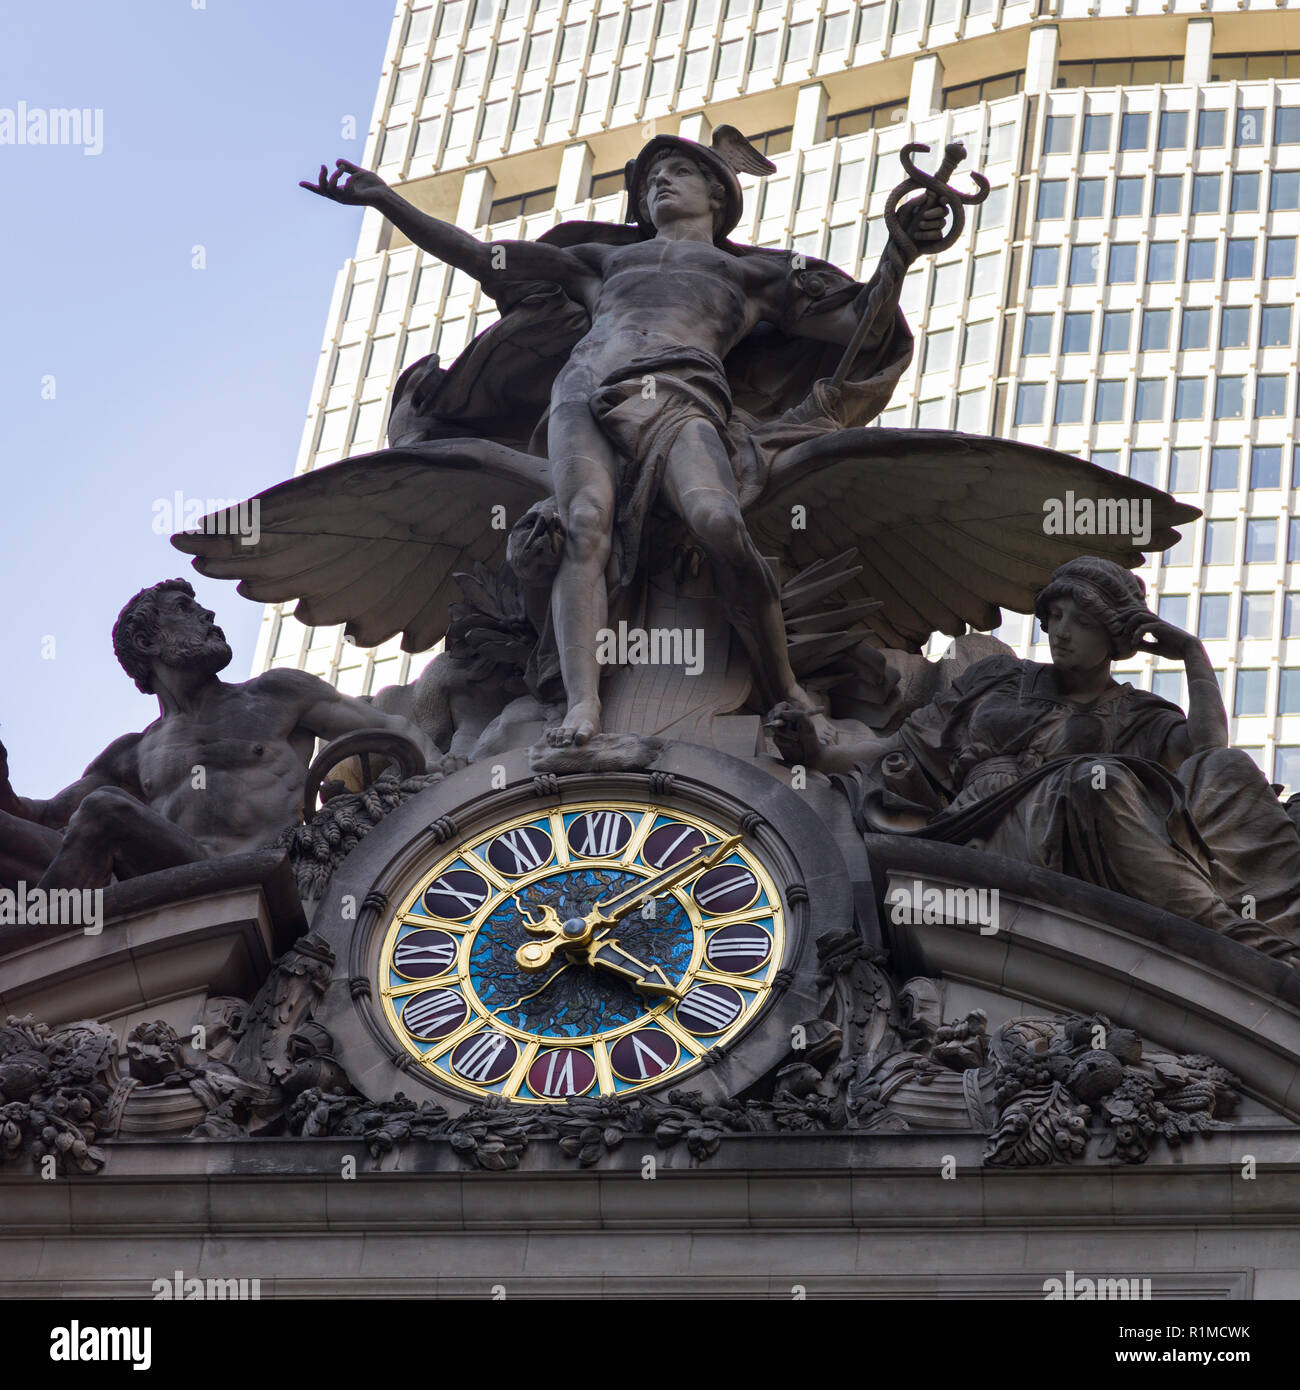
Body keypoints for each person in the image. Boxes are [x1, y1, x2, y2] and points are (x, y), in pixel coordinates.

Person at [300, 135, 946, 748]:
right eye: (650, 179)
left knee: (719, 521)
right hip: (582, 390)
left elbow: (861, 323)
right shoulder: (605, 260)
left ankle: (781, 685)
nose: (660, 182)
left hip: (678, 394)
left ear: (717, 195)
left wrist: (900, 253)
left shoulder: (754, 275)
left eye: (678, 172)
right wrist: (386, 200)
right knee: (582, 524)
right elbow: (480, 255)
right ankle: (583, 703)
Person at [768, 557, 1300, 965]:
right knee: (1098, 780)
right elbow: (900, 750)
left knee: (1220, 769)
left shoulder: (1137, 712)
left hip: (1076, 838)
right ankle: (1223, 932)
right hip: (978, 824)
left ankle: (1247, 924)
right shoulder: (996, 679)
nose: (1061, 631)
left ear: (1115, 635)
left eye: (1081, 620)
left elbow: (1209, 750)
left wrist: (1192, 655)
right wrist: (819, 752)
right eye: (1056, 616)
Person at [2, 579, 438, 891]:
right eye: (183, 610)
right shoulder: (131, 754)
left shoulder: (278, 693)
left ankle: (41, 939)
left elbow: (394, 732)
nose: (207, 614)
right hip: (175, 884)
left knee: (102, 808)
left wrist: (449, 785)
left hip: (260, 879)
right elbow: (37, 817)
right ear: (145, 641)